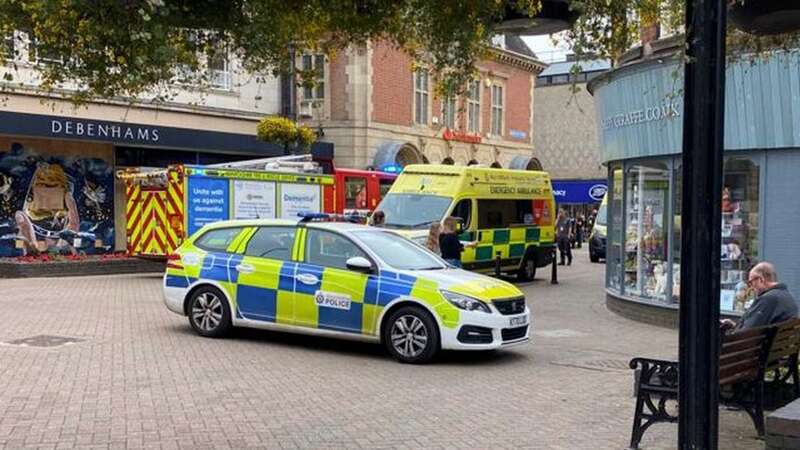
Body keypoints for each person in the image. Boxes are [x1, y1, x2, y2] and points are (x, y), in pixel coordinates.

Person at [721, 262, 799, 332]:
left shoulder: (768, 299)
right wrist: (734, 326)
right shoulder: (787, 296)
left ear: (760, 280)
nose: (751, 287)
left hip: (753, 346)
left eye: (751, 282)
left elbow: (747, 333)